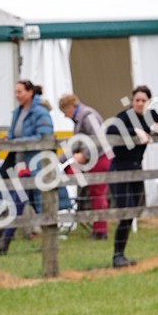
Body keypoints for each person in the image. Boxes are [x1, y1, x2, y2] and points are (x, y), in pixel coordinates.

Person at [0, 80, 54, 254]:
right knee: (20, 201)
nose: (17, 95)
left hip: (38, 165)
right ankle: (5, 241)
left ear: (30, 92)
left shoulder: (41, 113)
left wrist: (14, 142)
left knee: (31, 203)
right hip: (21, 165)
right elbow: (13, 135)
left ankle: (6, 241)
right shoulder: (18, 112)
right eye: (15, 92)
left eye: (20, 92)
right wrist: (7, 141)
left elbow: (44, 137)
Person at [105, 85, 158, 268]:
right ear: (132, 101)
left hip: (136, 169)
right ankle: (117, 256)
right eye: (137, 100)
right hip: (119, 169)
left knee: (134, 211)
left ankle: (121, 255)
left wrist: (156, 128)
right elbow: (110, 131)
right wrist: (135, 131)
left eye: (143, 100)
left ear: (148, 102)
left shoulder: (151, 114)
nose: (140, 103)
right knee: (127, 212)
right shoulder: (125, 116)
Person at [58, 93, 111, 240]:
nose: (65, 116)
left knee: (98, 193)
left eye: (64, 111)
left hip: (100, 158)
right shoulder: (80, 118)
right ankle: (98, 229)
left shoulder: (88, 116)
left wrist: (85, 155)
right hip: (93, 159)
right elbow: (75, 144)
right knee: (95, 193)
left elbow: (99, 138)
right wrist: (60, 160)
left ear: (71, 106)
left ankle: (101, 231)